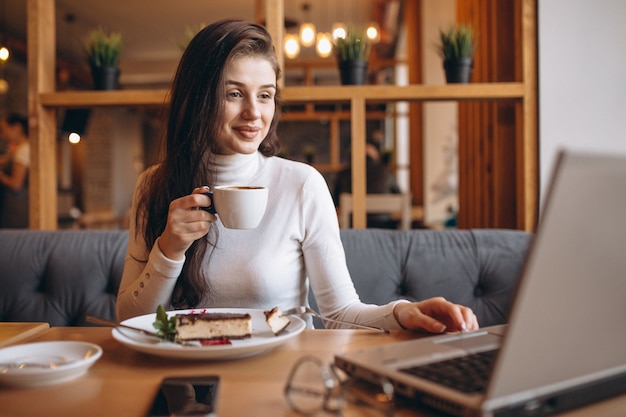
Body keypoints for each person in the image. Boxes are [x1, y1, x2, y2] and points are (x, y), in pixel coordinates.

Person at [116, 20, 478, 333]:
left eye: (265, 95)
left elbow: (338, 314)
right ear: (198, 99)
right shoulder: (154, 185)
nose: (254, 113)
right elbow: (130, 320)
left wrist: (402, 312)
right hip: (185, 384)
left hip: (277, 383)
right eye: (234, 93)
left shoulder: (301, 184)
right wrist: (168, 250)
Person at [333, 138, 402, 229]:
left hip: (353, 229)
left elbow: (335, 201)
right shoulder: (386, 173)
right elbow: (399, 196)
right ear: (376, 156)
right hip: (385, 228)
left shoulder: (344, 174)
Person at [0, 113, 30, 228]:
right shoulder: (19, 148)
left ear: (16, 127)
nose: (2, 136)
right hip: (16, 205)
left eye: (3, 130)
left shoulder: (23, 150)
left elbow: (16, 184)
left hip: (18, 206)